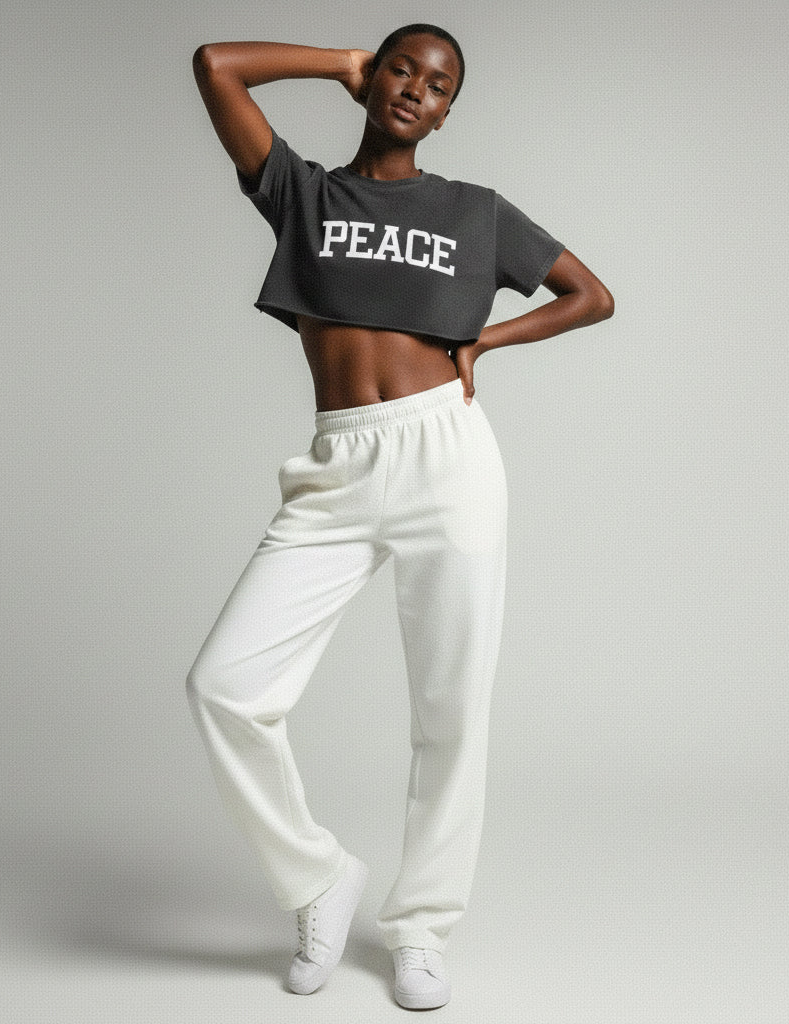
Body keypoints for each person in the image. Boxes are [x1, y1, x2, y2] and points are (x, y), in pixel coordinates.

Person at [186, 24, 613, 1010]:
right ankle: (318, 878)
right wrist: (335, 64)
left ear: (449, 111)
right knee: (225, 686)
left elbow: (590, 296)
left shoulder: (474, 211)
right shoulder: (302, 194)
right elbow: (215, 67)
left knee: (449, 708)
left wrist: (487, 342)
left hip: (446, 456)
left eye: (439, 84)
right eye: (400, 69)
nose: (417, 88)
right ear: (373, 78)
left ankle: (420, 928)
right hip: (338, 466)